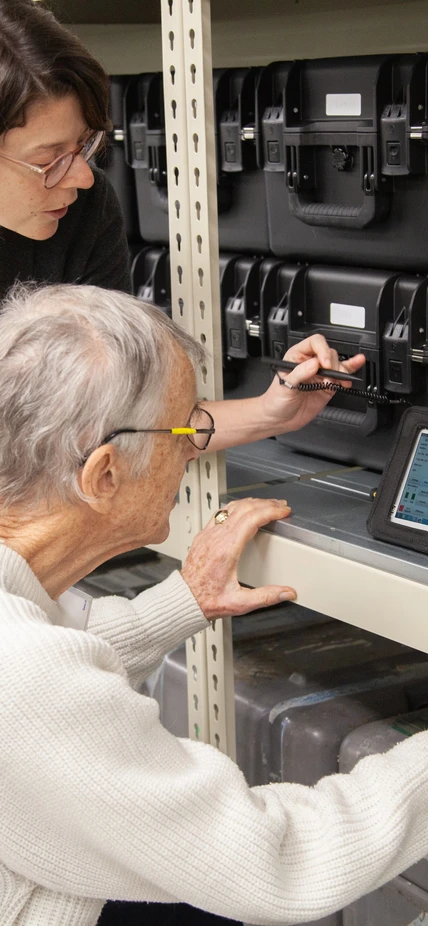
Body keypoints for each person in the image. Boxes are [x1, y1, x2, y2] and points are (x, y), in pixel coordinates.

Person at [1, 281, 428, 926]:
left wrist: (183, 601)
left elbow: (59, 669)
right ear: (104, 475)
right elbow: (278, 866)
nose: (196, 446)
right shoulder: (27, 678)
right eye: (186, 427)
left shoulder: (26, 631)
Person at [0, 0, 366, 455]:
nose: (83, 176)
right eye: (48, 160)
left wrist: (272, 410)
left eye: (83, 145)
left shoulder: (82, 209)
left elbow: (124, 430)